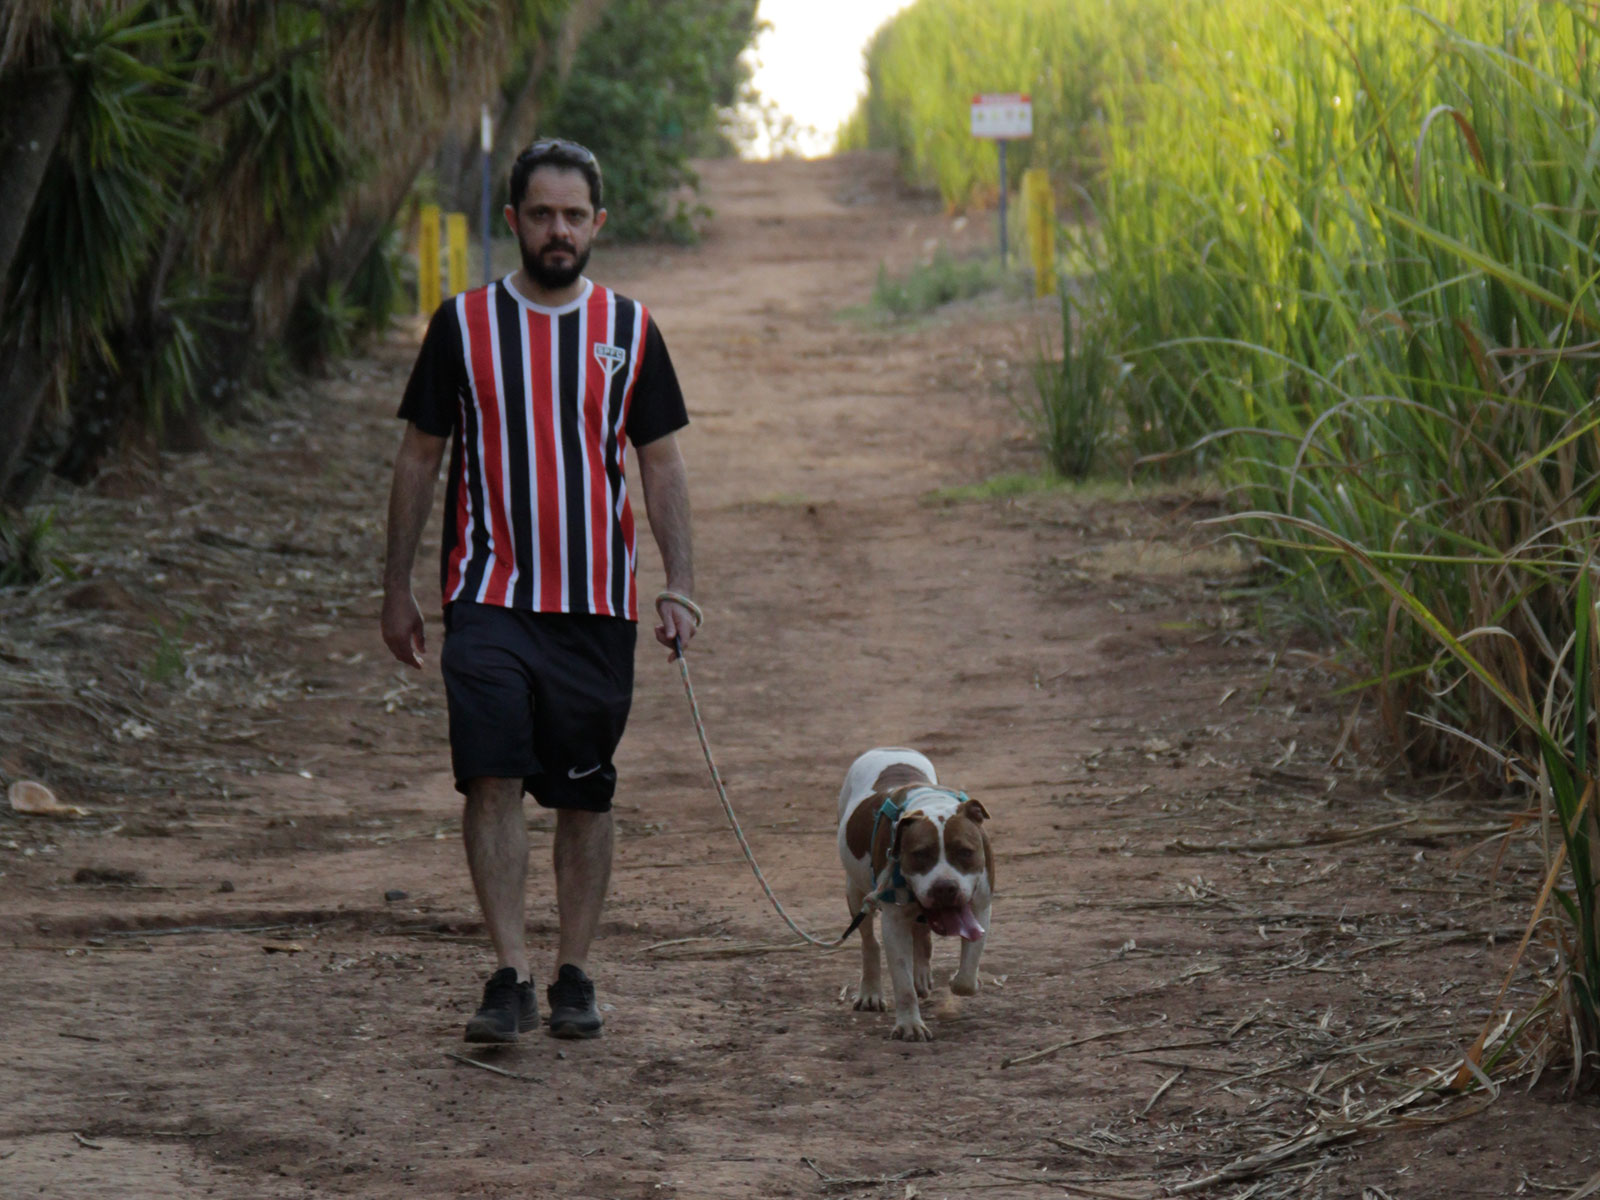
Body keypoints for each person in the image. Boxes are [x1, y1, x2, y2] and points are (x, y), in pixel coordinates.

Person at [380, 138, 698, 1043]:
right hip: (487, 595)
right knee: (490, 777)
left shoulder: (630, 330)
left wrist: (680, 585)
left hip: (597, 604)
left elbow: (662, 464)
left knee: (585, 795)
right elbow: (419, 457)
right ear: (512, 220)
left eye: (574, 215)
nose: (558, 230)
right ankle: (510, 972)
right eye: (541, 214)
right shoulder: (462, 324)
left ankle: (575, 972)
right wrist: (397, 587)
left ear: (597, 223)